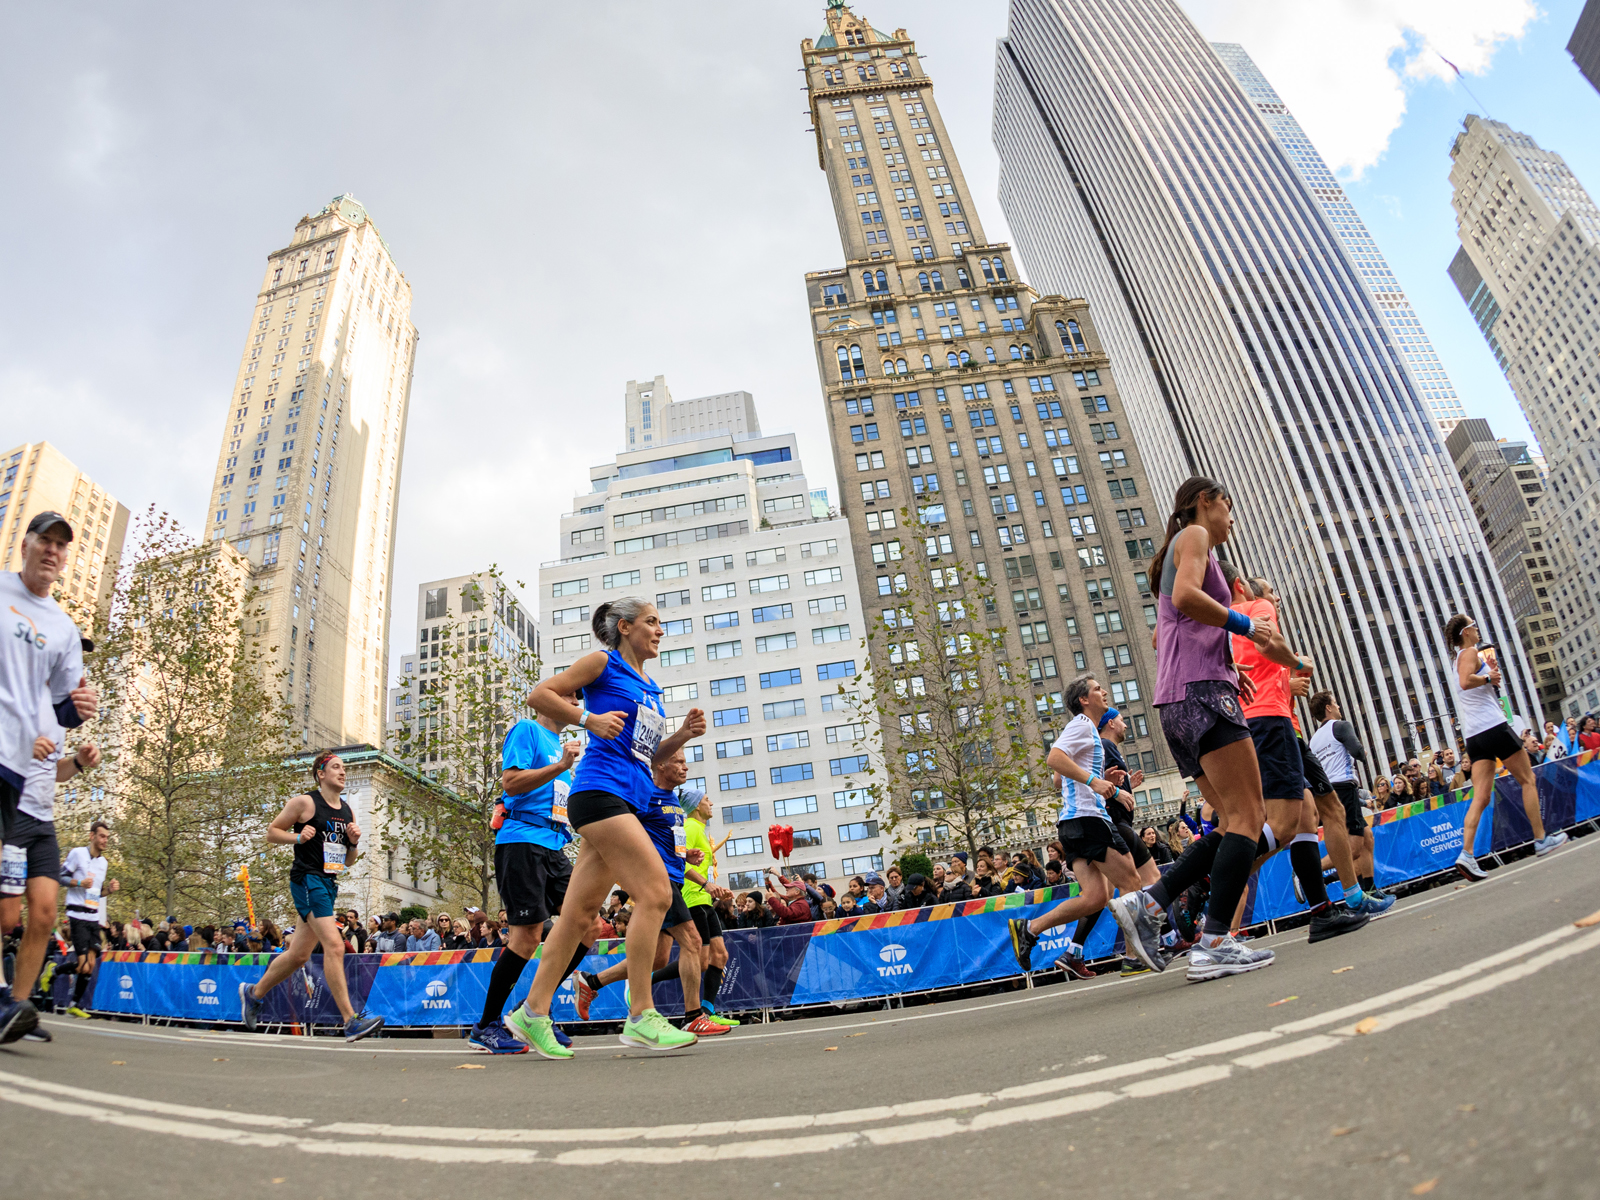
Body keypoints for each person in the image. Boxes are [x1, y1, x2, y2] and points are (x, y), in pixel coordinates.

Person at [506, 598, 705, 1057]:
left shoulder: (650, 687)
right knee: (656, 893)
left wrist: (683, 736)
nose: (660, 629)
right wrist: (587, 718)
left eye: (661, 622)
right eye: (653, 621)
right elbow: (540, 694)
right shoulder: (603, 663)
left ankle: (530, 1012)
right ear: (625, 627)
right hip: (600, 794)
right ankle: (641, 1015)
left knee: (578, 917)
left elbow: (648, 756)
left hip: (626, 798)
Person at [1110, 477, 1281, 981]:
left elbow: (1165, 634)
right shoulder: (1195, 536)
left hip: (1177, 701)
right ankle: (1212, 943)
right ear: (1205, 502)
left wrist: (1230, 666)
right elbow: (1186, 599)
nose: (1232, 518)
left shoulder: (1176, 549)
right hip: (1202, 695)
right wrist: (1245, 628)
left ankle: (1150, 901)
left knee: (1230, 822)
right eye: (1229, 505)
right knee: (1251, 815)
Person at [0, 511, 99, 1044]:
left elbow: (65, 708)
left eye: (63, 544)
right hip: (5, 777)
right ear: (26, 544)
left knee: (38, 913)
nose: (53, 551)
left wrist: (76, 725)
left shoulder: (61, 627)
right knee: (5, 911)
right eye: (46, 540)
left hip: (37, 805)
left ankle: (15, 1009)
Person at [467, 697, 595, 1054]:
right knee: (525, 938)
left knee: (590, 925)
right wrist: (561, 765)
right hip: (521, 840)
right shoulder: (528, 730)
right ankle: (486, 1026)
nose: (573, 703)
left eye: (577, 700)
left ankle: (533, 1010)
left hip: (555, 846)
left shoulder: (563, 747)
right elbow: (511, 783)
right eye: (567, 697)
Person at [574, 750, 726, 1037]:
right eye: (679, 761)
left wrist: (686, 856)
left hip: (674, 878)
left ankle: (590, 982)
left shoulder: (674, 803)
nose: (685, 767)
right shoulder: (643, 796)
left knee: (657, 959)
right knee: (693, 941)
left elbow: (670, 843)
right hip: (657, 880)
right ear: (660, 765)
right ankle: (693, 1015)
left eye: (685, 762)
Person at [1008, 676, 1152, 980]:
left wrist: (1102, 780)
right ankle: (1133, 956)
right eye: (1097, 689)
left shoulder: (1087, 733)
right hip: (1089, 820)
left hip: (1072, 823)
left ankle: (1029, 929)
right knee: (1131, 882)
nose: (1104, 692)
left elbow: (1060, 779)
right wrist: (1094, 781)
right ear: (1084, 700)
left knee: (1096, 897)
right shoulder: (1083, 724)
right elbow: (1053, 759)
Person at [238, 751, 383, 1042]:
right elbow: (271, 832)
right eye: (336, 767)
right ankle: (350, 1019)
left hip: (329, 883)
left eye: (344, 768)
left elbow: (349, 861)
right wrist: (297, 837)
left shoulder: (347, 811)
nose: (343, 772)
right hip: (307, 880)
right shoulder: (304, 802)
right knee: (335, 945)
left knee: (299, 954)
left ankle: (253, 993)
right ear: (321, 773)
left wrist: (353, 843)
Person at [1445, 616, 1565, 879]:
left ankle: (1466, 854)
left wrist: (1491, 676)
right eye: (1473, 625)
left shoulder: (1462, 658)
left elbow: (1472, 683)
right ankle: (1541, 839)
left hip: (1475, 735)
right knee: (1528, 779)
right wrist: (1488, 679)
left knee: (1482, 797)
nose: (1477, 629)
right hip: (1493, 727)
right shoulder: (1469, 652)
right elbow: (1466, 682)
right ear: (1466, 632)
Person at [1, 728, 101, 1039]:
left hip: (43, 822)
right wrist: (19, 749)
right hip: (9, 811)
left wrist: (78, 762)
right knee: (6, 918)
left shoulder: (56, 715)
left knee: (45, 916)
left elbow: (52, 771)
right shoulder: (11, 692)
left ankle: (17, 1008)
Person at [1307, 693, 1393, 913]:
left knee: (1367, 838)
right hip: (1344, 787)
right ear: (1328, 708)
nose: (1338, 706)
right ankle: (1307, 872)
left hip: (1327, 791)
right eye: (1335, 703)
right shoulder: (1340, 726)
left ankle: (1371, 889)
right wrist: (1362, 754)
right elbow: (1357, 750)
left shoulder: (1314, 740)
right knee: (1353, 847)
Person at [673, 788, 737, 1027]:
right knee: (699, 962)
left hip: (704, 900)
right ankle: (647, 979)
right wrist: (706, 885)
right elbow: (676, 861)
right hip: (692, 900)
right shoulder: (690, 827)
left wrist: (716, 889)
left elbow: (700, 868)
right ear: (695, 806)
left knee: (720, 955)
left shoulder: (700, 830)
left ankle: (708, 1013)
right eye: (707, 799)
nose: (711, 803)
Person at [59, 817, 119, 1018]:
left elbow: (96, 893)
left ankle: (74, 1004)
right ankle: (54, 972)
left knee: (90, 965)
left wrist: (108, 891)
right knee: (84, 964)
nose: (105, 840)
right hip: (77, 915)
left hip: (93, 917)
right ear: (92, 836)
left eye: (107, 837)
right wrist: (77, 883)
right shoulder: (77, 853)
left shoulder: (104, 863)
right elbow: (60, 877)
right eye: (102, 836)